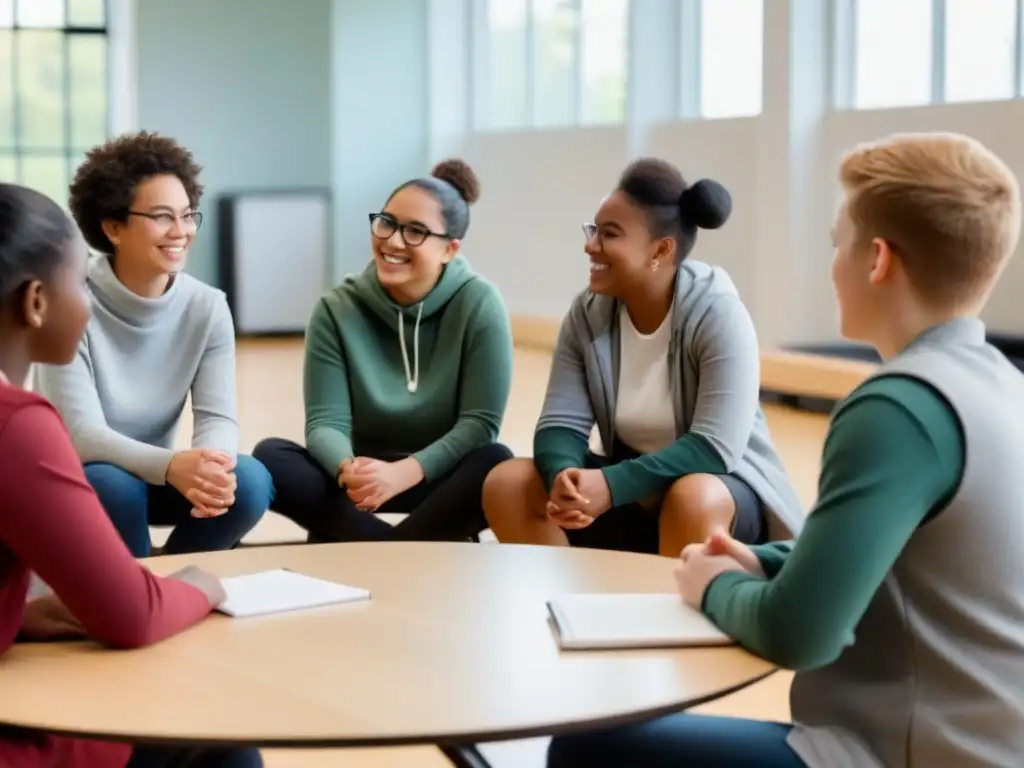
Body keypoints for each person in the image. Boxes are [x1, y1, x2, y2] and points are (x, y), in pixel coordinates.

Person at [546, 132, 1024, 767]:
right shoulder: (1000, 386)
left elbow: (798, 633)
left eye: (837, 244)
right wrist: (769, 560)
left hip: (895, 754)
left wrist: (711, 586)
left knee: (585, 750)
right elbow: (901, 561)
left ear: (876, 260)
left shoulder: (896, 408)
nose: (834, 264)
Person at [0, 183, 263, 767]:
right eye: (77, 282)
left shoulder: (204, 303)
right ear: (36, 301)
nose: (90, 302)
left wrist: (16, 617)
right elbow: (131, 617)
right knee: (224, 746)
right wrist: (200, 583)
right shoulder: (17, 426)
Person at [482, 158, 803, 557]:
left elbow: (714, 447)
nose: (590, 245)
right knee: (508, 483)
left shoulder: (718, 312)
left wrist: (612, 485)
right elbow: (559, 422)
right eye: (593, 230)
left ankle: (671, 615)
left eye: (609, 235)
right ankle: (571, 608)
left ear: (661, 250)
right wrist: (563, 474)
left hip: (718, 491)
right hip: (630, 488)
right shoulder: (586, 313)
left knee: (692, 497)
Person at [34, 132, 272, 557]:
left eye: (188, 215)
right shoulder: (67, 300)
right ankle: (132, 586)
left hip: (161, 476)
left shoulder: (207, 306)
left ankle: (172, 577)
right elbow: (82, 436)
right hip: (89, 479)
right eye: (163, 217)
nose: (181, 232)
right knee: (111, 483)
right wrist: (171, 466)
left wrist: (211, 468)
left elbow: (218, 417)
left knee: (249, 480)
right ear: (113, 227)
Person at [253, 160, 513, 542]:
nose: (392, 241)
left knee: (496, 463)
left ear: (449, 249)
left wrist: (405, 472)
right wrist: (349, 469)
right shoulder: (337, 308)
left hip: (439, 477)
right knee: (272, 457)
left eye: (416, 232)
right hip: (358, 482)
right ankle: (413, 547)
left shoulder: (480, 303)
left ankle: (371, 546)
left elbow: (479, 425)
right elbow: (325, 423)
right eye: (387, 222)